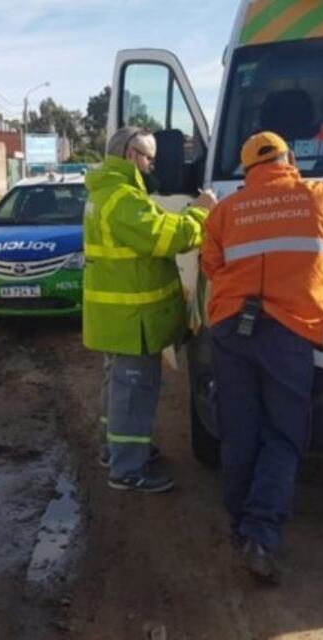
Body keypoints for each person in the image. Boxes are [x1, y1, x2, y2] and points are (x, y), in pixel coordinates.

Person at [201, 132, 323, 583]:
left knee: (239, 430)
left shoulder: (224, 211)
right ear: (290, 160)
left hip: (230, 328)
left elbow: (211, 265)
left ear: (246, 170)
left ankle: (240, 525)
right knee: (283, 435)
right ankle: (260, 536)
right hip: (288, 331)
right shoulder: (321, 195)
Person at [84, 127, 217, 493]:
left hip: (119, 316)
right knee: (134, 391)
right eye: (149, 158)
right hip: (133, 317)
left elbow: (151, 228)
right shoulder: (122, 198)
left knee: (117, 388)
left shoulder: (108, 193)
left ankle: (114, 451)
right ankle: (127, 471)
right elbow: (166, 237)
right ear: (131, 155)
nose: (152, 165)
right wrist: (202, 214)